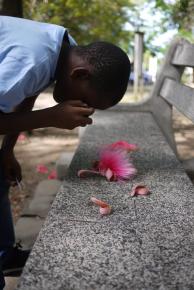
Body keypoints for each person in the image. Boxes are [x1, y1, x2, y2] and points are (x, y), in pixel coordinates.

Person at [0, 16, 131, 289]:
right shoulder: (32, 59)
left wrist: (7, 150)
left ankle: (4, 255)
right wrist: (50, 117)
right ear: (80, 74)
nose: (81, 106)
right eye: (85, 100)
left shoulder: (63, 47)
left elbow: (26, 96)